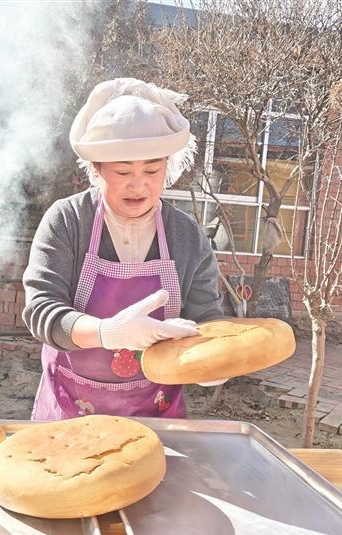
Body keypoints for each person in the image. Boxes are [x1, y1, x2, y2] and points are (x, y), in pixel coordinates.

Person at [22, 77, 225, 422]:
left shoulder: (187, 236)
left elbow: (206, 321)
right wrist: (107, 332)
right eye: (122, 171)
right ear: (96, 170)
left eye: (152, 169)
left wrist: (214, 360)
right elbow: (41, 311)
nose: (138, 184)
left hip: (156, 414)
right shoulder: (69, 220)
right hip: (71, 413)